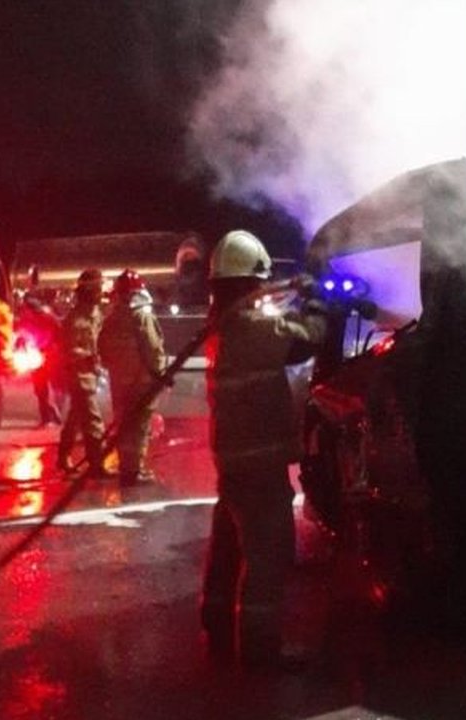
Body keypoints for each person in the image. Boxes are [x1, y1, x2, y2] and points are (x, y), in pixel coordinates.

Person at [199, 230, 328, 671]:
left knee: (229, 549)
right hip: (260, 464)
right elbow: (308, 339)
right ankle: (261, 653)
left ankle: (216, 628)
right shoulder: (254, 327)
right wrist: (314, 300)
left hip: (234, 462)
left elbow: (270, 332)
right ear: (254, 282)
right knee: (268, 555)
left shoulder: (225, 326)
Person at [100, 269, 167, 487]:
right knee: (140, 425)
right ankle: (134, 470)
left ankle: (126, 467)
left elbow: (102, 348)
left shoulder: (112, 318)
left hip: (119, 382)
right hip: (142, 381)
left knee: (123, 424)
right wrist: (161, 375)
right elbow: (153, 348)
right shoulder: (142, 316)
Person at [56, 269, 110, 476]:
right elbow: (68, 349)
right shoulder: (75, 320)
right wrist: (87, 356)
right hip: (79, 375)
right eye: (96, 289)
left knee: (76, 418)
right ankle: (96, 465)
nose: (100, 293)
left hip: (91, 373)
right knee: (93, 420)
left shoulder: (95, 314)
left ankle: (63, 456)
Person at [17, 266, 63, 427]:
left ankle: (55, 413)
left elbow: (59, 333)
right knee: (40, 389)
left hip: (49, 354)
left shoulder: (47, 317)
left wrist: (57, 350)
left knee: (55, 386)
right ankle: (46, 417)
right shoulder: (24, 319)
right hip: (35, 355)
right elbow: (20, 336)